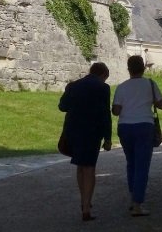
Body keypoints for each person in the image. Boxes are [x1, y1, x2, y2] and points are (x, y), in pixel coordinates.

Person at [112, 55, 162, 217]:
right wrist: (151, 102)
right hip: (144, 126)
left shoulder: (121, 87)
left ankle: (133, 197)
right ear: (143, 68)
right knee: (142, 165)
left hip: (125, 127)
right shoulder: (150, 84)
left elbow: (115, 111)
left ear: (128, 69)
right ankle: (137, 204)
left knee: (131, 163)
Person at [58, 62, 113, 222]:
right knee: (89, 168)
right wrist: (108, 138)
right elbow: (105, 114)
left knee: (80, 166)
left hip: (73, 131)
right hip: (92, 132)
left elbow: (62, 106)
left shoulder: (73, 85)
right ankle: (86, 207)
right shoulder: (103, 88)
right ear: (103, 75)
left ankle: (84, 201)